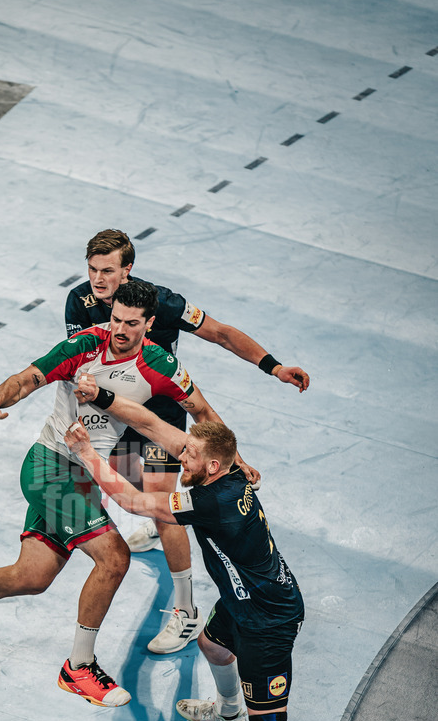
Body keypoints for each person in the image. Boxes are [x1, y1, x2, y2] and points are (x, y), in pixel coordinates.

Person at [0, 281, 226, 709]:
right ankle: (79, 667)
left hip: (83, 475)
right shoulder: (83, 346)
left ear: (150, 324)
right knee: (115, 558)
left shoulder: (161, 365)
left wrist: (232, 460)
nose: (120, 329)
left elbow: (202, 412)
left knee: (31, 577)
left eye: (131, 323)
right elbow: (27, 378)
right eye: (116, 318)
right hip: (50, 468)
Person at [64, 388, 365, 721]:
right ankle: (228, 713)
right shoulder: (228, 471)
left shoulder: (210, 502)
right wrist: (106, 397)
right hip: (244, 600)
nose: (180, 459)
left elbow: (133, 501)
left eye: (190, 456)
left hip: (268, 619)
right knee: (211, 643)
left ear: (212, 466)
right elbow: (155, 428)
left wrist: (87, 453)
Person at [65, 228, 309, 656]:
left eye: (108, 271)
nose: (98, 280)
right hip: (113, 415)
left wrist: (273, 367)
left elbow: (221, 333)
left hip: (162, 418)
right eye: (92, 270)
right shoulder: (79, 301)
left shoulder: (166, 302)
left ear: (128, 270)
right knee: (113, 487)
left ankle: (185, 610)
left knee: (164, 508)